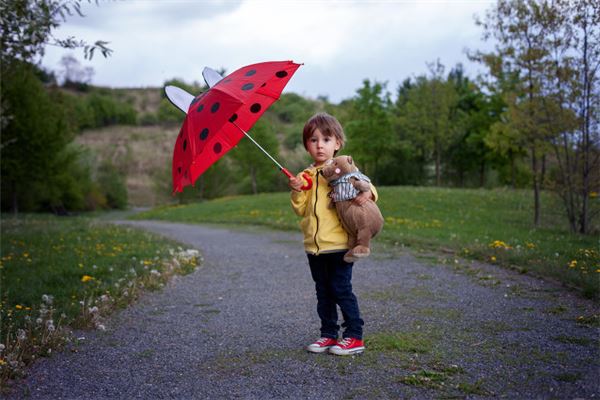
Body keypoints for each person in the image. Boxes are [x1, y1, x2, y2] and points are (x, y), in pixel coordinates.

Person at [288, 112, 378, 356]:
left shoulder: (342, 167)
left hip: (339, 244)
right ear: (306, 144)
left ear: (337, 144)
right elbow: (300, 209)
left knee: (341, 289)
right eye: (313, 140)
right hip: (314, 247)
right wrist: (297, 191)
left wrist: (368, 193)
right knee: (323, 292)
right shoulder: (305, 176)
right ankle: (328, 334)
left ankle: (354, 336)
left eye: (326, 140)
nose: (320, 145)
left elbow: (366, 185)